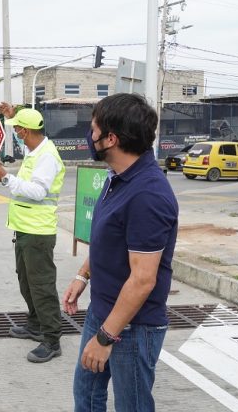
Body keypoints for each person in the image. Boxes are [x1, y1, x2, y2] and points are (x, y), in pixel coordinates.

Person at [62, 93, 178, 411]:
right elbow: (107, 239)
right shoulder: (118, 178)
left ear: (111, 138)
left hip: (132, 327)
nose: (91, 135)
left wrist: (105, 339)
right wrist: (82, 275)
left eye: (94, 129)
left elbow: (142, 279)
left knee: (133, 406)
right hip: (104, 311)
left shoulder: (148, 194)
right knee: (85, 396)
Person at [0, 103, 66, 363]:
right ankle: (34, 325)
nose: (17, 135)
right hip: (24, 229)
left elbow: (38, 192)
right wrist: (13, 115)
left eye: (19, 131)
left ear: (27, 131)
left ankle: (52, 339)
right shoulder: (35, 151)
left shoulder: (47, 156)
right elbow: (24, 132)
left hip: (38, 232)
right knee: (26, 281)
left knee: (42, 286)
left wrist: (6, 178)